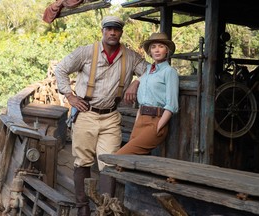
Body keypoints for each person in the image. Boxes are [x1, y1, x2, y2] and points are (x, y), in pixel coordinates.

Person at [54, 16, 148, 216]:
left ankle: (104, 209)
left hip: (111, 116)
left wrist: (137, 82)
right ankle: (83, 207)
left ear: (121, 33)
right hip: (86, 113)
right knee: (82, 161)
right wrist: (69, 96)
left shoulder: (130, 57)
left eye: (116, 29)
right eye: (109, 29)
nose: (112, 32)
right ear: (103, 31)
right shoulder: (87, 52)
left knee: (110, 162)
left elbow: (150, 71)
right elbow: (61, 69)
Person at [115, 32, 179, 155]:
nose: (157, 50)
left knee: (121, 157)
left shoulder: (169, 72)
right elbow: (142, 97)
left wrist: (159, 126)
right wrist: (135, 82)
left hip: (156, 121)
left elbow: (172, 105)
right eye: (153, 47)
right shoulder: (148, 71)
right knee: (131, 163)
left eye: (161, 46)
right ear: (150, 51)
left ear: (167, 50)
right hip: (140, 120)